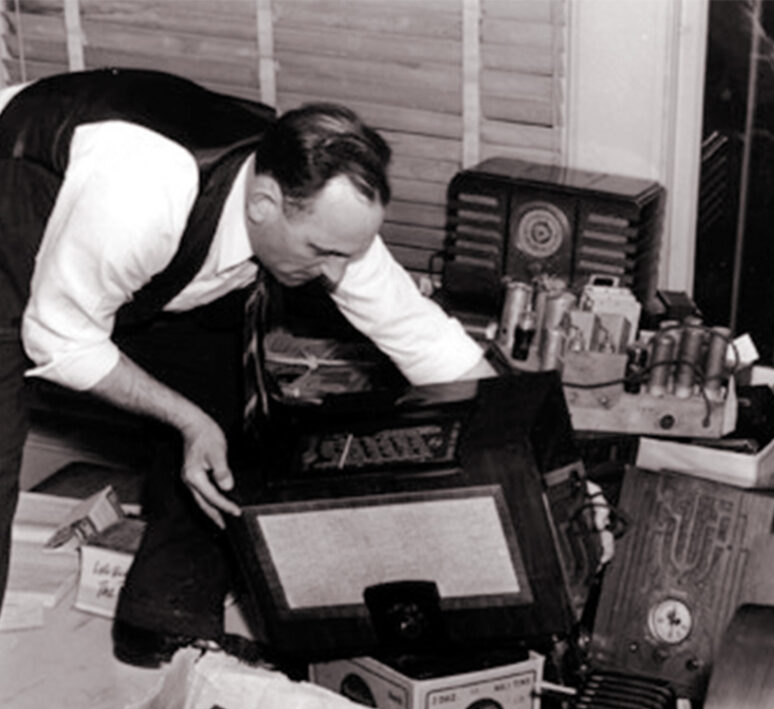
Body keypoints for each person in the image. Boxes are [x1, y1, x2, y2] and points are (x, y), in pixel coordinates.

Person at [0, 68, 492, 666]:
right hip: (16, 211)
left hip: (144, 266)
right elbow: (61, 342)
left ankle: (163, 620)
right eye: (321, 252)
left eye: (349, 254)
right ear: (263, 205)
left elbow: (422, 337)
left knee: (230, 414)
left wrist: (528, 447)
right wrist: (187, 420)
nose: (337, 274)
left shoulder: (321, 208)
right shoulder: (143, 193)